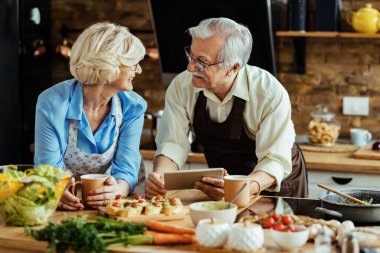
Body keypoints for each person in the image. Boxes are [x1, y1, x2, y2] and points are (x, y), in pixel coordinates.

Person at [145, 17, 307, 200]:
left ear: (233, 68)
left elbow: (274, 160)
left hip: (273, 185)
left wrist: (241, 188)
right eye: (191, 55)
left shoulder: (268, 92)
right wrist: (161, 178)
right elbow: (172, 144)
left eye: (202, 62)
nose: (190, 67)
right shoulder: (182, 86)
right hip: (223, 187)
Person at [34, 22, 147, 210]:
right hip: (66, 204)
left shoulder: (133, 107)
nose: (139, 70)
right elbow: (49, 168)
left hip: (115, 203)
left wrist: (118, 189)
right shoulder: (52, 103)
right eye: (133, 63)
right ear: (109, 64)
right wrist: (57, 189)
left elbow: (127, 167)